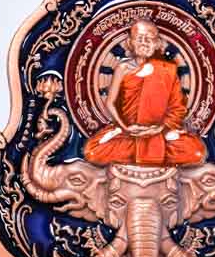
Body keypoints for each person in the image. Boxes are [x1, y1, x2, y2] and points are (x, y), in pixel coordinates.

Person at [84, 19, 206, 166]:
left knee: (195, 152)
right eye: (139, 38)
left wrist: (159, 128)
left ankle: (139, 155)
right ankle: (149, 155)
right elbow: (110, 103)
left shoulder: (168, 70)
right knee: (92, 152)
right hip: (129, 132)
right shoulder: (123, 68)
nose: (144, 42)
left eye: (150, 38)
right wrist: (125, 127)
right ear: (130, 42)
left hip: (159, 132)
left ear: (157, 43)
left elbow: (177, 108)